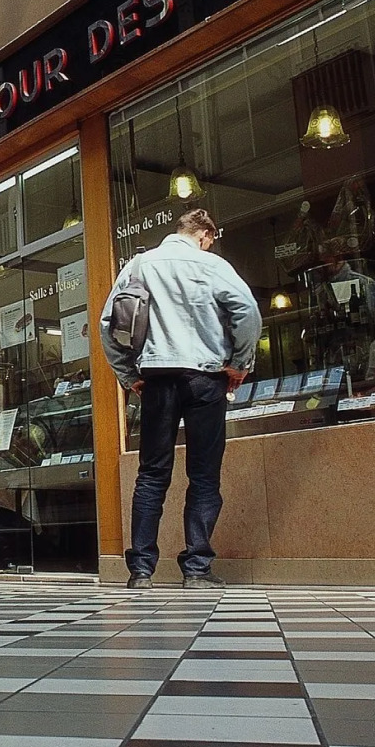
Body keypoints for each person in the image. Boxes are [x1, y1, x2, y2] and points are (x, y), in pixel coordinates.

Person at [99, 208, 261, 591]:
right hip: (205, 377)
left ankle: (141, 571)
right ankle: (197, 569)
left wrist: (129, 375)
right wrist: (239, 364)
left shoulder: (138, 266)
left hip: (156, 379)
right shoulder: (210, 264)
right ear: (205, 234)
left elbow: (109, 325)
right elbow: (247, 311)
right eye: (211, 238)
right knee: (204, 474)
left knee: (152, 473)